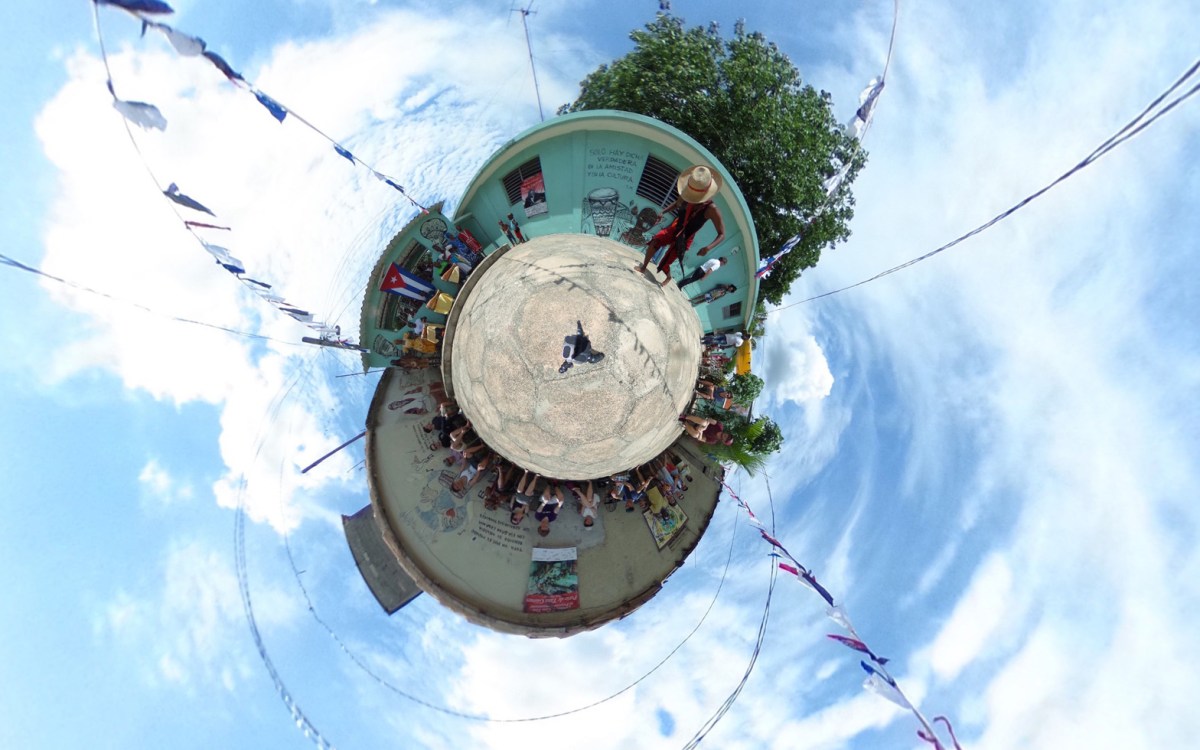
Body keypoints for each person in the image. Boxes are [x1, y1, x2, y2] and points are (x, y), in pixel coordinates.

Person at [634, 165, 726, 287]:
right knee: (655, 241)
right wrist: (663, 212)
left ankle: (668, 277)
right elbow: (677, 204)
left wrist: (708, 248)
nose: (692, 197)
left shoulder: (711, 209)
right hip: (676, 227)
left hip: (686, 238)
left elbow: (722, 234)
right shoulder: (688, 192)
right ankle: (644, 267)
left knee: (665, 262)